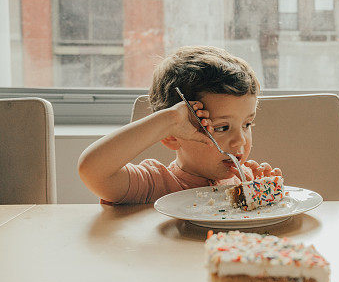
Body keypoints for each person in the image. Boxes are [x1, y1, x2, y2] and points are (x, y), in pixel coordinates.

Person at [78, 46, 281, 204]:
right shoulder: (154, 184)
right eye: (221, 128)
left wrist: (264, 195)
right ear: (172, 135)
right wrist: (170, 120)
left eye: (247, 124)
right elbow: (92, 170)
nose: (240, 141)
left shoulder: (245, 181)